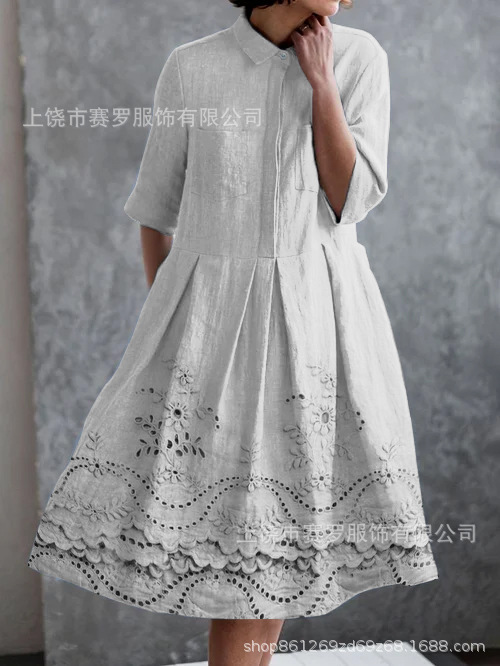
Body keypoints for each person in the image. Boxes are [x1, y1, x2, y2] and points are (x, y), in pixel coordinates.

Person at [27, 1, 439, 664]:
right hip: (213, 337)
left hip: (318, 331)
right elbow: (156, 210)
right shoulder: (193, 67)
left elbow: (351, 200)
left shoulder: (359, 58)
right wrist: (182, 325)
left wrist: (322, 83)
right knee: (243, 556)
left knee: (273, 554)